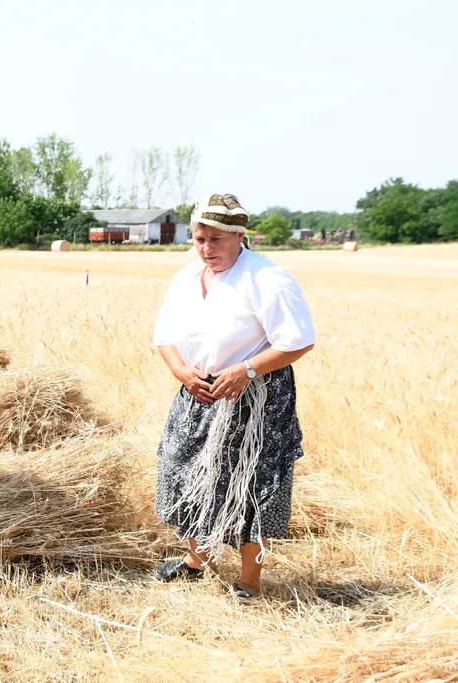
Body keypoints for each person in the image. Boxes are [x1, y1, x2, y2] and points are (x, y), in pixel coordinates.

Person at [152, 193, 316, 601]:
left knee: (250, 484)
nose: (207, 249)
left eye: (216, 240)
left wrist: (246, 370)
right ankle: (197, 561)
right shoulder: (186, 279)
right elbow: (165, 336)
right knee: (185, 473)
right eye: (199, 239)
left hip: (253, 397)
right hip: (197, 392)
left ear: (240, 236)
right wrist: (180, 371)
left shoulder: (267, 278)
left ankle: (249, 582)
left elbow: (299, 341)